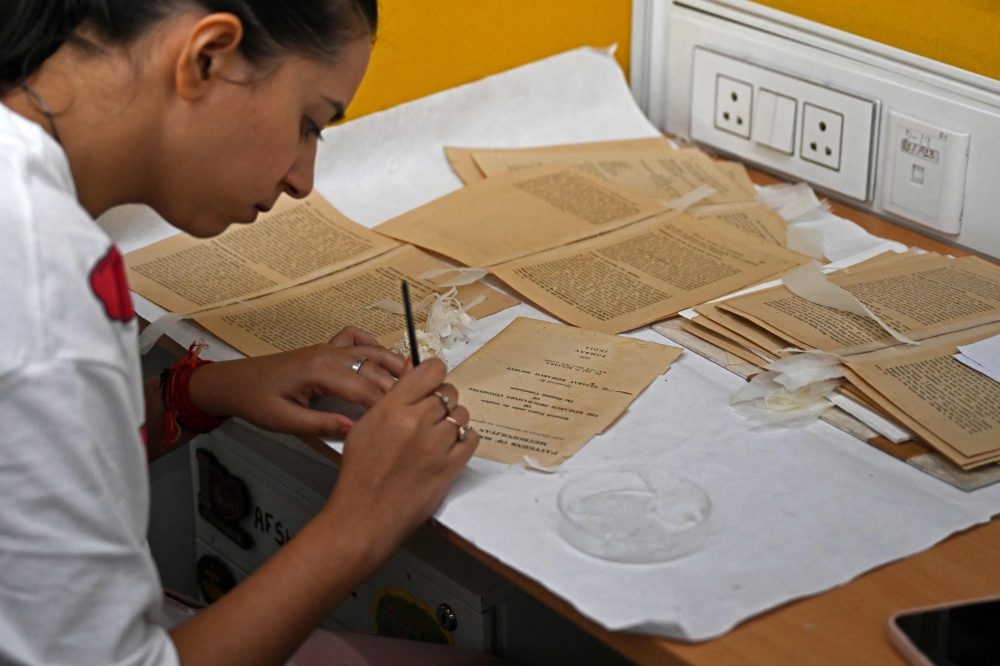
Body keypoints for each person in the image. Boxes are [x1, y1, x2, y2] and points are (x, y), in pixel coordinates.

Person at [0, 1, 494, 664]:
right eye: (307, 123)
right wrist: (361, 525)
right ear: (208, 57)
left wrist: (199, 392)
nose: (302, 178)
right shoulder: (42, 272)